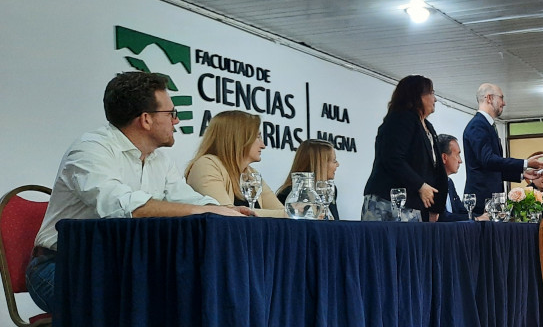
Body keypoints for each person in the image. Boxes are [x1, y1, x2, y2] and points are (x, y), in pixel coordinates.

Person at [26, 71, 246, 312]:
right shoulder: (90, 150)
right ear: (146, 119)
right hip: (61, 265)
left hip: (121, 264)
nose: (176, 121)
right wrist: (199, 210)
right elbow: (119, 206)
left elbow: (188, 198)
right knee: (145, 300)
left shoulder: (160, 161)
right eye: (171, 113)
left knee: (194, 288)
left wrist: (226, 210)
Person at [362, 75, 446, 222]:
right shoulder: (400, 119)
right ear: (418, 96)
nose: (435, 99)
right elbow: (392, 157)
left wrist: (436, 207)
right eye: (431, 93)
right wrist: (420, 186)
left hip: (412, 205)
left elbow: (435, 170)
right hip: (387, 202)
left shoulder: (428, 127)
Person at [462, 83, 543, 215]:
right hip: (481, 201)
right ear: (489, 98)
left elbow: (492, 168)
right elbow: (488, 160)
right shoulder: (478, 125)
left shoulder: (486, 125)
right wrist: (525, 163)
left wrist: (523, 173)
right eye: (501, 98)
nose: (504, 103)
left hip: (490, 201)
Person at [185, 110, 286, 218]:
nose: (263, 145)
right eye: (257, 137)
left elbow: (282, 212)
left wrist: (294, 212)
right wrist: (295, 212)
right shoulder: (206, 165)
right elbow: (226, 213)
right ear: (238, 139)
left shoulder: (251, 173)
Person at [277, 139, 341, 220]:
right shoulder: (290, 195)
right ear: (321, 164)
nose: (338, 164)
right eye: (334, 160)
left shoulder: (329, 189)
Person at [435, 134, 483, 222]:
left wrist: (484, 215)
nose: (460, 161)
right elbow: (443, 217)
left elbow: (461, 211)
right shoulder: (431, 183)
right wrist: (476, 218)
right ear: (444, 158)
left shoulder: (449, 182)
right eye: (457, 155)